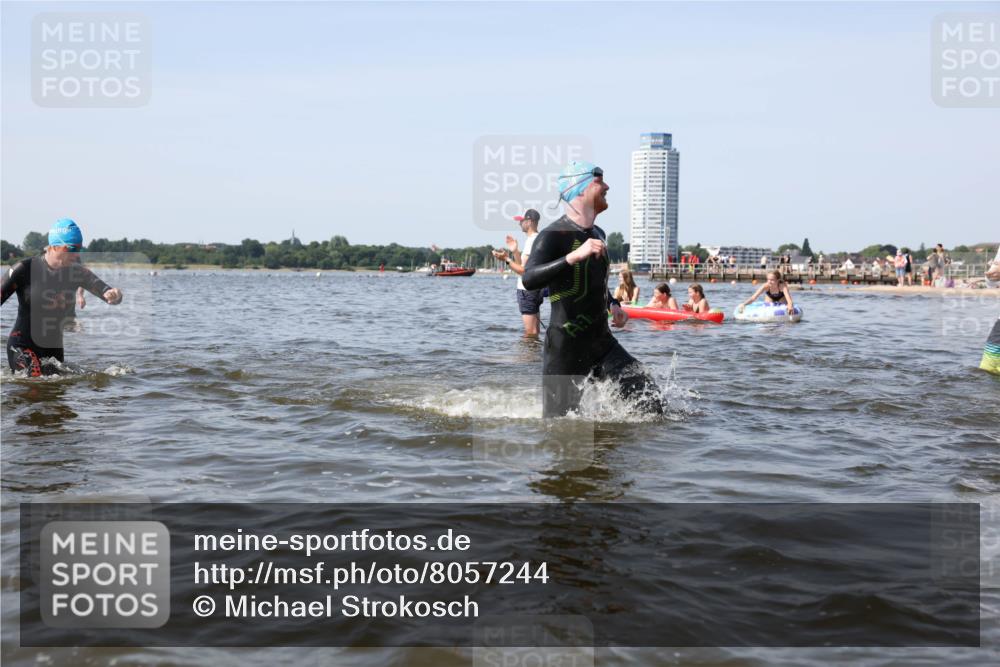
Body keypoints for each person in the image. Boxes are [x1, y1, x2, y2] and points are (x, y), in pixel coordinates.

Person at [521, 161, 661, 417]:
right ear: (580, 188)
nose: (607, 186)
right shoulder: (553, 235)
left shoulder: (599, 233)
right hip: (565, 348)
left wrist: (613, 304)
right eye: (599, 182)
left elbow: (594, 281)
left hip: (601, 342)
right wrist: (572, 257)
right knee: (561, 428)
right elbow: (529, 279)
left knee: (649, 397)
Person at [1, 219, 123, 376]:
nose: (76, 254)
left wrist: (114, 294)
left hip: (54, 350)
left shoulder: (77, 272)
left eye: (79, 249)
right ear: (54, 246)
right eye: (71, 248)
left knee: (56, 396)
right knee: (34, 380)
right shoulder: (24, 269)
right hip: (22, 345)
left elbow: (107, 293)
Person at [492, 209, 543, 336]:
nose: (519, 224)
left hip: (527, 291)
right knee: (535, 331)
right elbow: (523, 266)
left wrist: (505, 259)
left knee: (530, 332)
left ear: (529, 222)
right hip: (534, 289)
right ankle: (534, 355)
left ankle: (527, 356)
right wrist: (515, 251)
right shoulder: (539, 238)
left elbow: (523, 271)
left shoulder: (531, 241)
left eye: (521, 221)